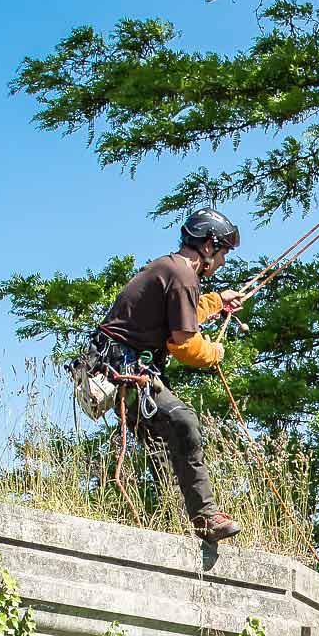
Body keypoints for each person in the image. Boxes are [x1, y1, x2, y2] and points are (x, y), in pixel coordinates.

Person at [93, 210, 244, 542]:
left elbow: (183, 313)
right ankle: (205, 518)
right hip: (125, 370)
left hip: (121, 367)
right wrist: (214, 353)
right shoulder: (183, 275)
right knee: (184, 422)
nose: (222, 262)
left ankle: (166, 522)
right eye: (222, 254)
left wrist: (219, 301)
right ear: (208, 246)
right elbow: (183, 343)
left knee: (162, 448)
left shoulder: (172, 269)